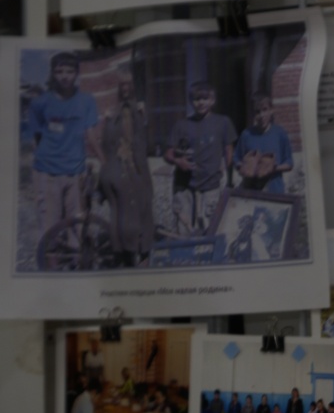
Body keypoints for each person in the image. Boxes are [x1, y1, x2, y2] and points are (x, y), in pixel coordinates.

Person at [27, 51, 105, 243]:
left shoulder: (86, 101)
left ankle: (74, 259)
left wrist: (105, 161)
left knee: (77, 227)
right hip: (48, 173)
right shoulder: (40, 103)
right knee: (50, 228)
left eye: (69, 71)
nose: (64, 76)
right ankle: (51, 260)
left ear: (77, 73)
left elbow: (91, 135)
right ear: (53, 73)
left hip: (76, 173)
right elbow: (37, 136)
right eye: (59, 71)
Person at [164, 82, 237, 235]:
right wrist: (178, 161)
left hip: (211, 184)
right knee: (184, 230)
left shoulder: (223, 122)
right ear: (191, 101)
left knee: (211, 229)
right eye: (197, 99)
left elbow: (229, 152)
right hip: (184, 186)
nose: (201, 103)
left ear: (212, 100)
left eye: (205, 98)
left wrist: (228, 179)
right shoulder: (182, 125)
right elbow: (168, 153)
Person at [99, 73, 154, 266]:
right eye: (122, 85)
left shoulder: (138, 109)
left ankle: (143, 251)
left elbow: (144, 138)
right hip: (120, 165)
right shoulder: (112, 113)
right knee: (123, 210)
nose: (125, 89)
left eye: (128, 85)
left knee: (143, 205)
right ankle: (124, 252)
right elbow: (106, 143)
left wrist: (144, 117)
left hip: (138, 165)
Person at [233, 93, 293, 193]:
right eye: (257, 112)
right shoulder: (247, 134)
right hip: (252, 190)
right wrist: (245, 167)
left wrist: (272, 168)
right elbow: (236, 159)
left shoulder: (280, 133)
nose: (261, 115)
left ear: (271, 110)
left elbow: (289, 163)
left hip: (274, 189)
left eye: (265, 110)